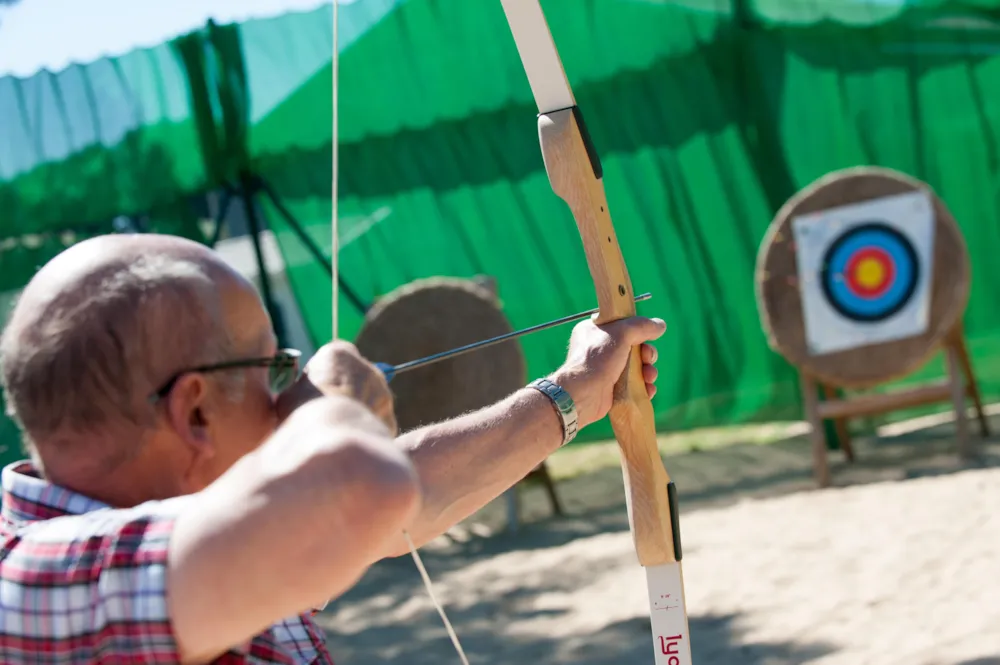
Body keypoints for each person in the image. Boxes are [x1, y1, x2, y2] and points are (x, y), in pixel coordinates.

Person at [0, 233, 666, 664]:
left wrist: (575, 391)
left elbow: (405, 494)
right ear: (196, 410)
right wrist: (342, 407)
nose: (288, 396)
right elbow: (353, 494)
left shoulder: (228, 532)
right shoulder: (24, 588)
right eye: (274, 373)